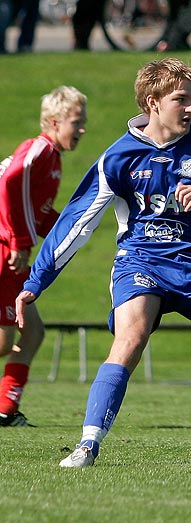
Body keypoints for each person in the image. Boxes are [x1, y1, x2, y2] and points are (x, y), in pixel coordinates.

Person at [15, 58, 191, 466]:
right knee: (130, 337)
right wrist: (35, 283)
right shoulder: (118, 156)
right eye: (182, 99)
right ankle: (87, 444)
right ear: (153, 102)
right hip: (140, 263)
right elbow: (77, 222)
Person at [0, 86, 88, 427]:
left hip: (12, 249)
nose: (82, 130)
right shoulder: (39, 148)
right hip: (6, 250)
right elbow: (9, 183)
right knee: (4, 342)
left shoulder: (51, 158)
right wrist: (21, 242)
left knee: (33, 331)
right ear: (54, 121)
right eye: (76, 123)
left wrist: (71, 230)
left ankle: (6, 409)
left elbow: (39, 211)